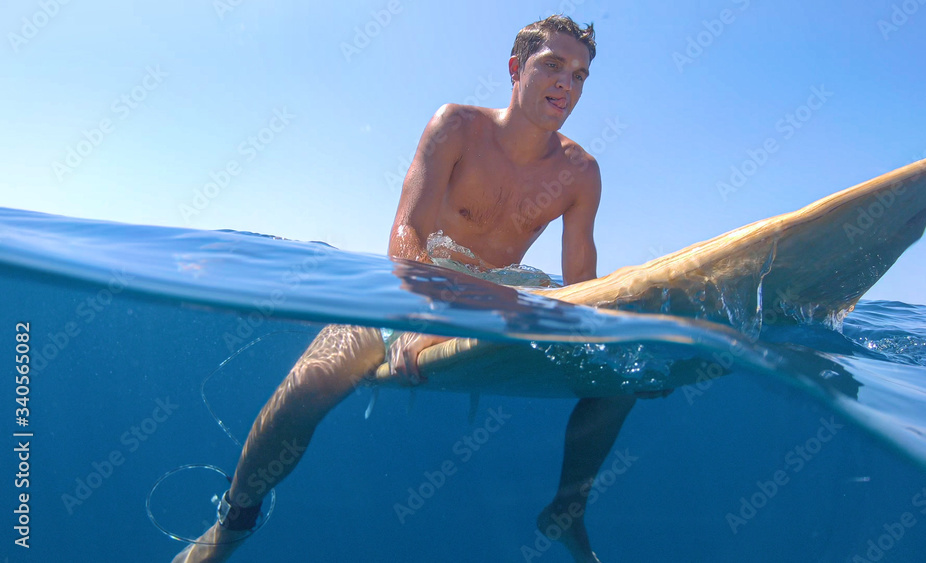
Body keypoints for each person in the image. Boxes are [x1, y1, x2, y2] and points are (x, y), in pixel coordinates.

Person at [174, 15, 632, 563]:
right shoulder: (458, 125)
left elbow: (582, 287)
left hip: (502, 296)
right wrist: (428, 315)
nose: (566, 84)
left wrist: (618, 340)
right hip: (421, 280)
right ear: (515, 69)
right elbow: (405, 234)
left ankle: (566, 511)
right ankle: (231, 524)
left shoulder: (581, 172)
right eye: (552, 66)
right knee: (305, 388)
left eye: (579, 75)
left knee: (621, 379)